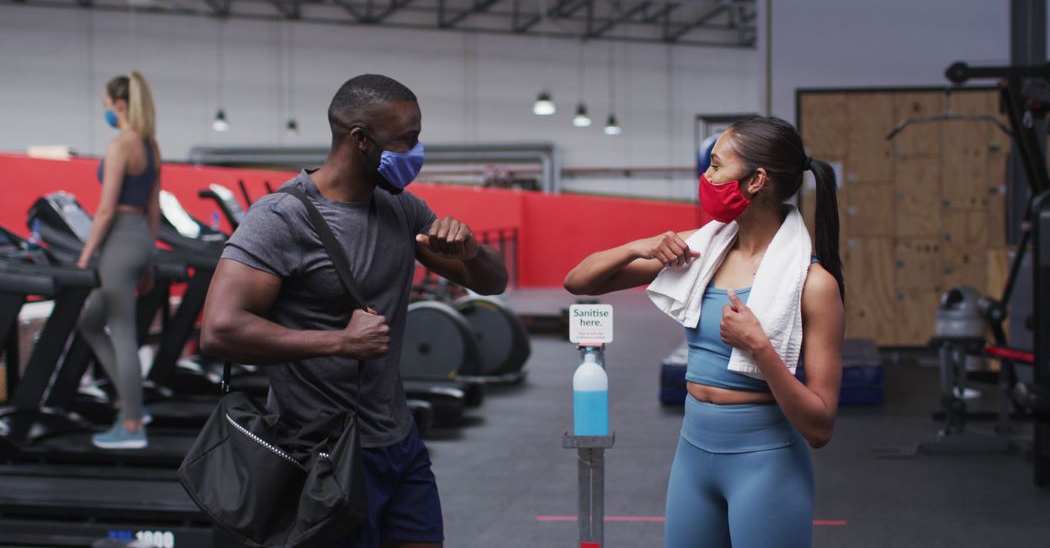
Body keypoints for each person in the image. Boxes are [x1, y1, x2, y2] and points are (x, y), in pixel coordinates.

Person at [200, 74, 508, 548]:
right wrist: (340, 342)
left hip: (398, 442)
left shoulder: (400, 208)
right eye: (407, 139)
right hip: (322, 452)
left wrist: (469, 251)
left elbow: (494, 282)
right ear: (361, 140)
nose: (417, 150)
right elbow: (219, 331)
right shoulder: (282, 218)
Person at [564, 117, 845, 547]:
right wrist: (638, 246)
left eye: (716, 166)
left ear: (756, 180)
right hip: (693, 456)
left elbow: (820, 427)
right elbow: (580, 281)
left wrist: (760, 348)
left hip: (765, 463)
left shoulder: (814, 284)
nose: (706, 177)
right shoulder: (699, 250)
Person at [77, 72, 161, 450]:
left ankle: (130, 425)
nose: (106, 111)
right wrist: (150, 258)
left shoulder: (119, 146)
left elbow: (106, 209)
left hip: (119, 240)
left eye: (107, 105)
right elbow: (154, 208)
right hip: (140, 237)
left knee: (121, 331)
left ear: (120, 105)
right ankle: (134, 403)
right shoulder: (151, 146)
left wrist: (84, 258)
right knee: (90, 322)